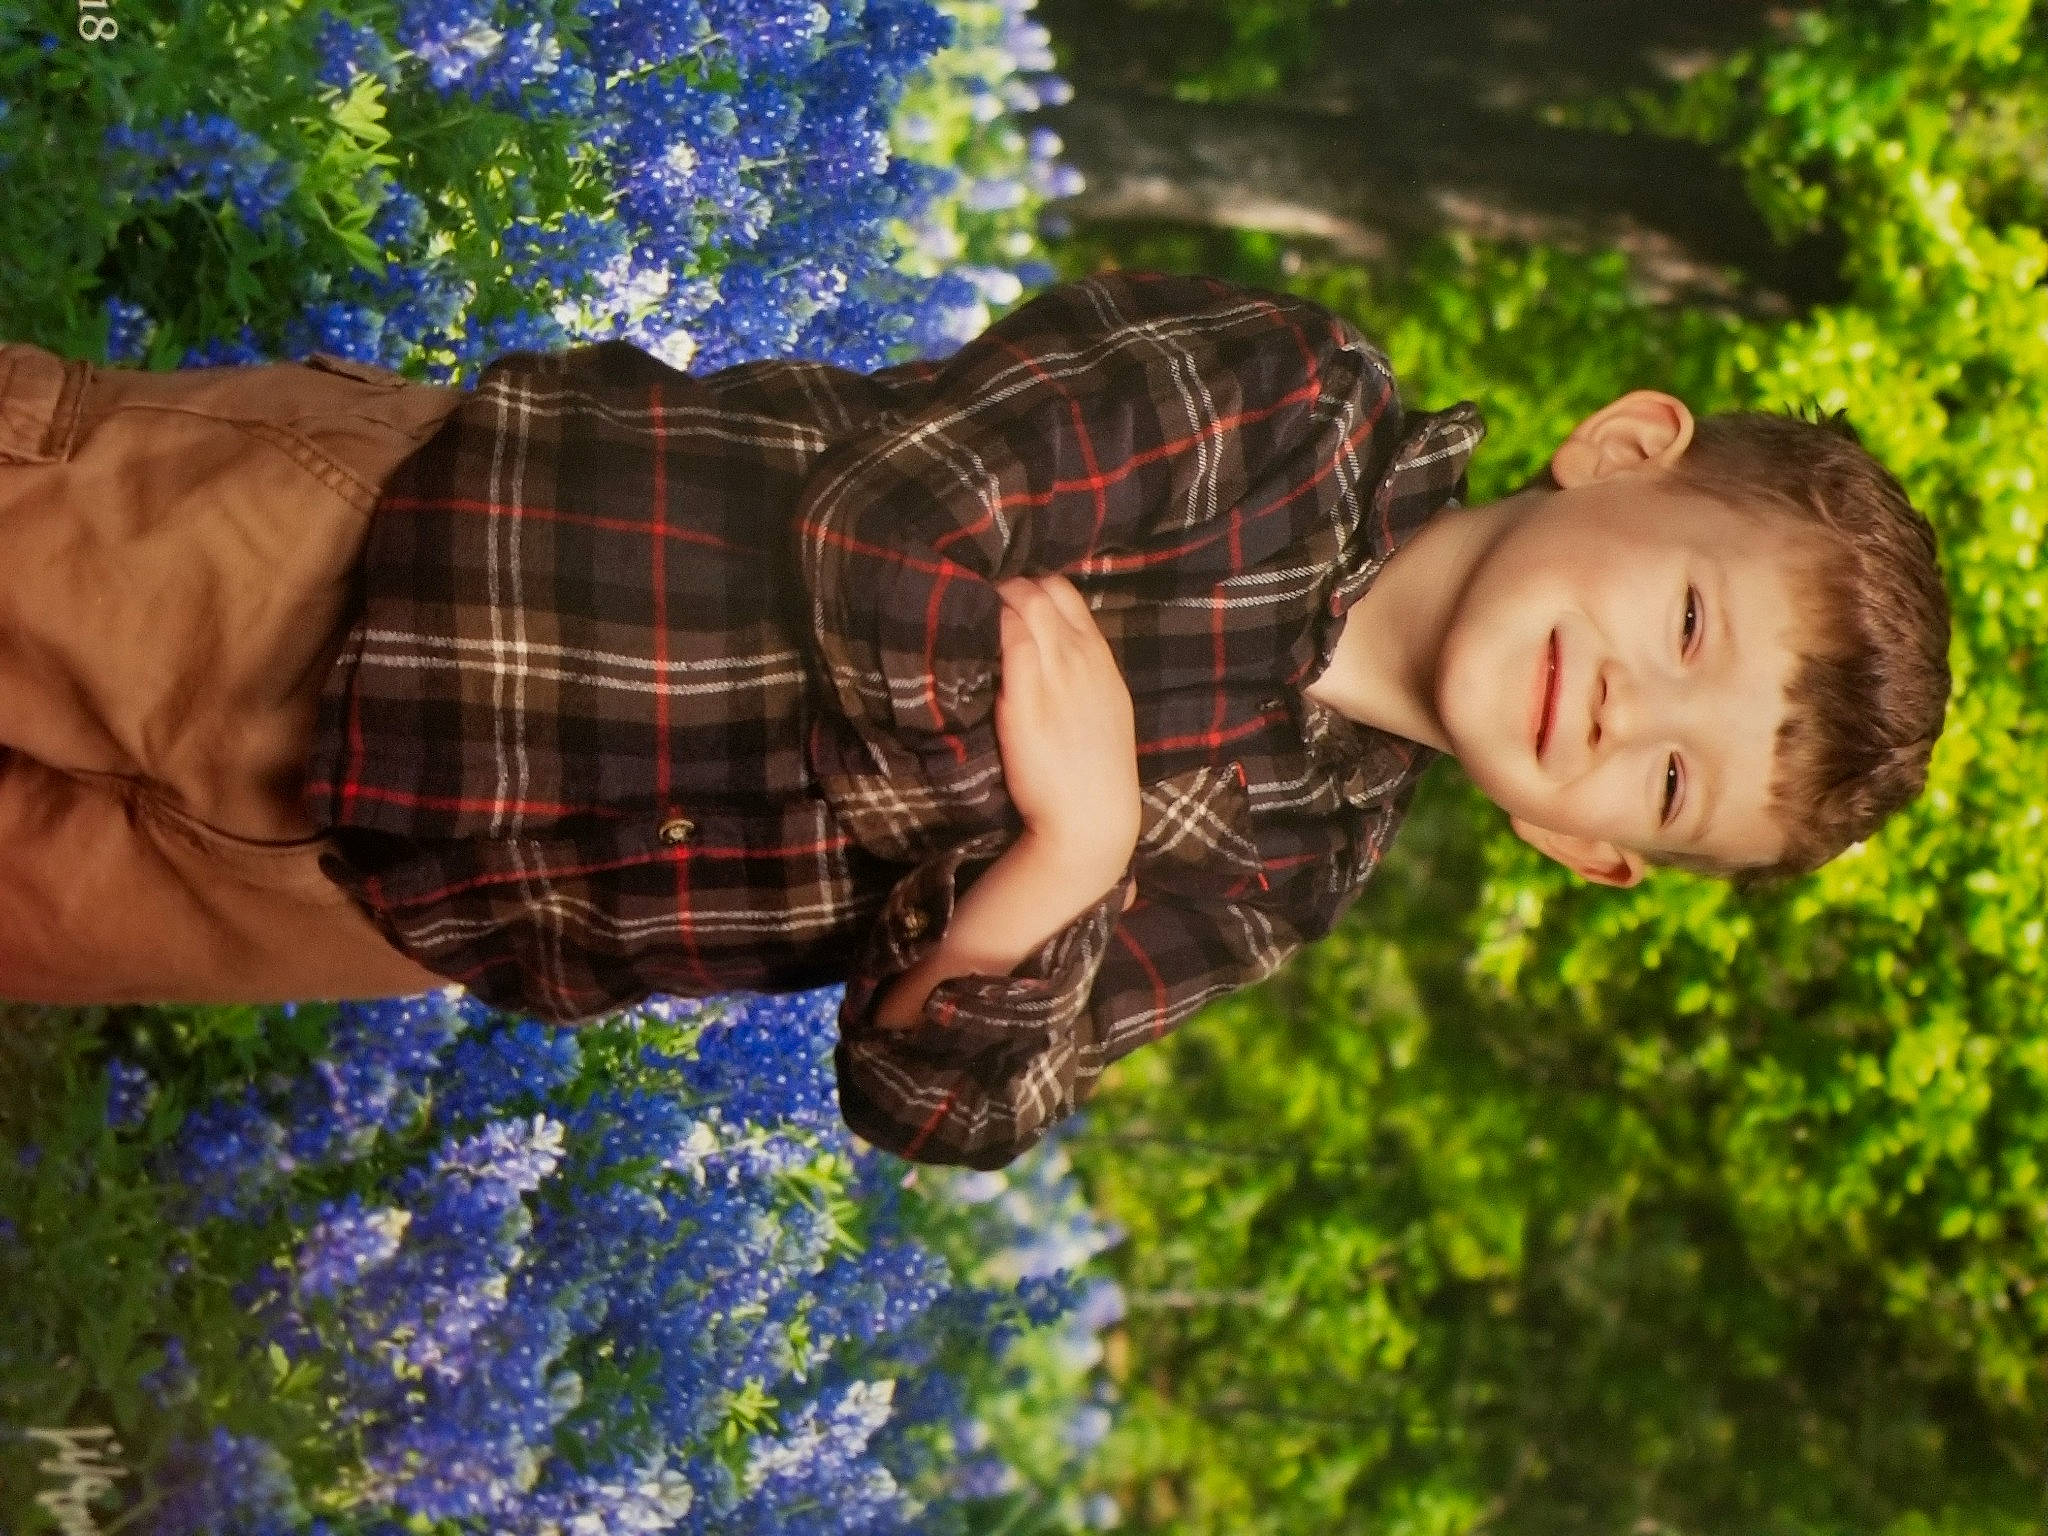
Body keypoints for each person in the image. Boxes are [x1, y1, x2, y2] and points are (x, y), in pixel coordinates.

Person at [0, 270, 1951, 1167]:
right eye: (1681, 617)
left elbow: (945, 1093)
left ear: (1580, 843)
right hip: (400, 572)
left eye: (1667, 776)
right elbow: (892, 536)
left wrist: (1057, 877)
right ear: (1620, 451)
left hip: (421, 902)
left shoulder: (1278, 876)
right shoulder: (1279, 403)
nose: (1620, 703)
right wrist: (1021, 831)